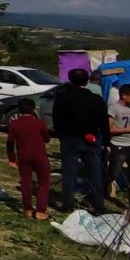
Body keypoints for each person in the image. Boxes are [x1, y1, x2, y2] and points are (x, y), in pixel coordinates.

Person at [52, 68, 110, 214]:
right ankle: (99, 205)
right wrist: (106, 141)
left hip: (70, 138)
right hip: (91, 138)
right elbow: (104, 122)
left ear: (70, 80)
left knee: (69, 173)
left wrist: (60, 134)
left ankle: (68, 204)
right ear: (87, 80)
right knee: (94, 173)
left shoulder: (63, 98)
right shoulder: (96, 99)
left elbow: (56, 119)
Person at [7, 98, 52, 220]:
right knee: (44, 182)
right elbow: (47, 138)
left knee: (26, 182)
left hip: (23, 156)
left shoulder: (14, 124)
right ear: (33, 109)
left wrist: (11, 158)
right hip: (40, 156)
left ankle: (28, 209)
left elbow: (10, 143)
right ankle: (41, 210)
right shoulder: (39, 123)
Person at [107, 84, 130, 192]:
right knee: (114, 172)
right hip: (119, 144)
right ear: (124, 96)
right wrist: (127, 130)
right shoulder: (113, 108)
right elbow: (109, 129)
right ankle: (102, 189)